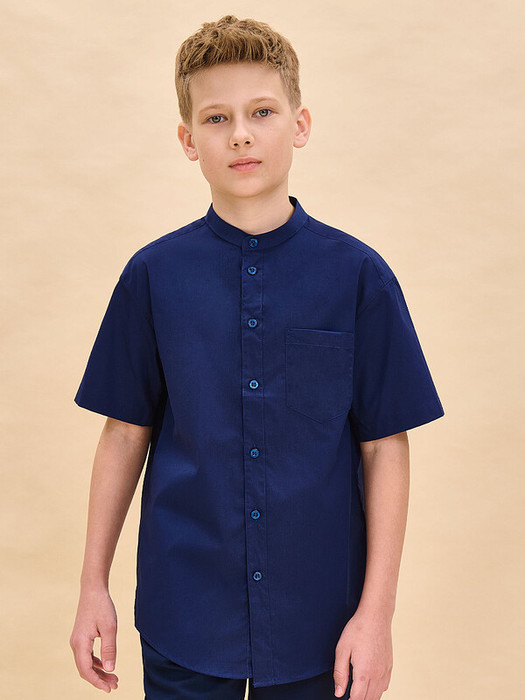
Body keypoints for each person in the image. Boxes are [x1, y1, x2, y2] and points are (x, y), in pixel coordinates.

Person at [69, 14, 445, 700]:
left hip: (322, 620)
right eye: (216, 118)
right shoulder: (153, 276)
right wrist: (93, 584)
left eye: (262, 112)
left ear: (300, 125)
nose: (240, 134)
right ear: (188, 140)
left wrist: (377, 615)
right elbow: (123, 432)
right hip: (184, 610)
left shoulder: (358, 277)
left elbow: (384, 447)